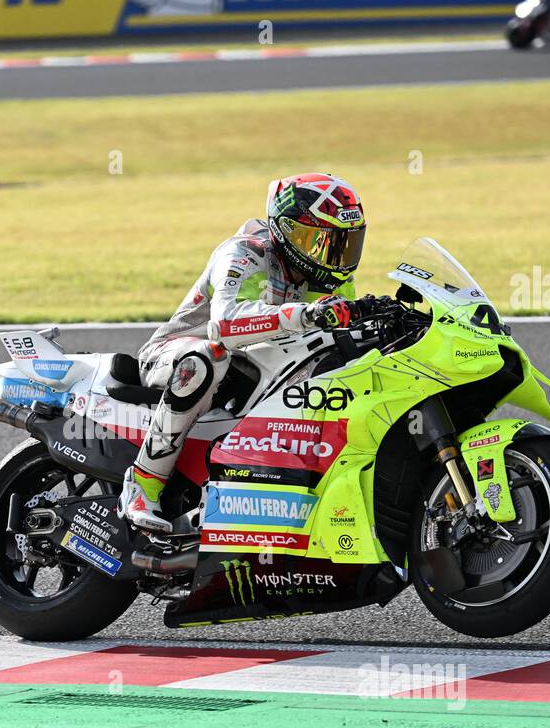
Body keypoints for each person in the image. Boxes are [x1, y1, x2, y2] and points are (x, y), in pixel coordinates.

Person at [118, 173, 384, 534]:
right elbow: (224, 326)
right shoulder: (245, 252)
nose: (334, 257)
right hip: (176, 355)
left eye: (344, 245)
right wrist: (303, 315)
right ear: (288, 233)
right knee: (208, 357)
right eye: (321, 243)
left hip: (250, 369)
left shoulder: (331, 277)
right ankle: (144, 482)